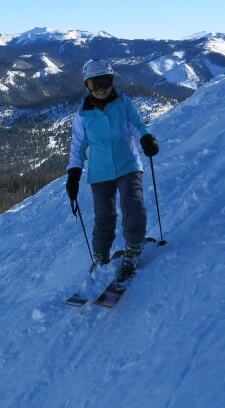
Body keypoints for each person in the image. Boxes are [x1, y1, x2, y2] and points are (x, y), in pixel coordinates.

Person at [65, 57, 159, 277]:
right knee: (104, 216)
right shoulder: (82, 114)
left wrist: (146, 138)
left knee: (133, 205)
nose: (101, 88)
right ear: (87, 85)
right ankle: (100, 258)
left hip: (128, 164)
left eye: (105, 82)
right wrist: (74, 174)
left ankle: (133, 250)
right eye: (94, 83)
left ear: (112, 81)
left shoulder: (124, 103)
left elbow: (137, 125)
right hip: (100, 171)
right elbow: (78, 146)